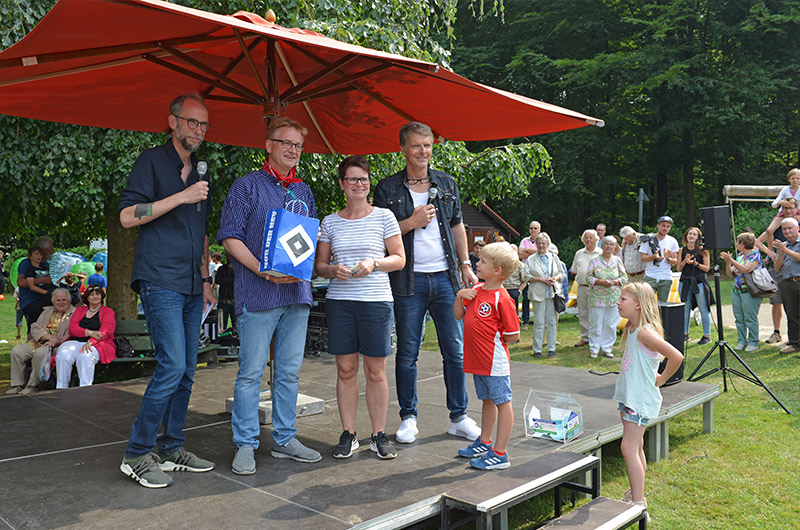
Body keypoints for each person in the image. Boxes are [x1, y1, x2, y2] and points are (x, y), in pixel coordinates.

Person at [118, 92, 217, 489]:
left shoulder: (202, 172)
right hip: (159, 279)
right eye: (192, 122)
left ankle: (172, 447)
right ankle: (137, 454)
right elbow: (127, 217)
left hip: (194, 283)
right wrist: (181, 196)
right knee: (172, 365)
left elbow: (201, 231)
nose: (198, 130)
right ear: (172, 121)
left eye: (204, 124)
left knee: (188, 371)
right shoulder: (151, 162)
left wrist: (207, 280)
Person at [219, 116, 321, 475]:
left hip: (296, 295)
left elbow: (307, 239)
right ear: (269, 145)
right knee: (250, 374)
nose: (293, 150)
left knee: (289, 373)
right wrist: (262, 270)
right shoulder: (246, 186)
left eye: (298, 145)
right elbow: (231, 237)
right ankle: (246, 443)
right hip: (258, 294)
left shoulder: (303, 191)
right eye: (286, 143)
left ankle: (284, 440)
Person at [373, 121, 481, 445]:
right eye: (417, 145)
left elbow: (458, 225)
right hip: (408, 280)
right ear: (403, 149)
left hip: (447, 278)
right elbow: (379, 235)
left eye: (428, 145)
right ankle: (409, 417)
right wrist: (412, 222)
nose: (423, 151)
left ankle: (459, 416)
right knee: (407, 352)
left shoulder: (446, 183)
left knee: (456, 351)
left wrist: (465, 264)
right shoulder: (386, 189)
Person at [314, 155, 406, 460]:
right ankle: (348, 433)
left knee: (376, 371)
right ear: (342, 184)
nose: (358, 184)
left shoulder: (384, 217)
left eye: (363, 179)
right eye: (351, 179)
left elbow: (399, 259)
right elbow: (319, 266)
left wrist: (375, 263)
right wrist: (332, 271)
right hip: (341, 302)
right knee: (346, 368)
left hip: (376, 302)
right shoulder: (329, 221)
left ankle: (379, 434)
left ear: (369, 183)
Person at [615, 282, 684, 522]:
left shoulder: (645, 332)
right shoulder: (632, 329)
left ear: (637, 304)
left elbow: (676, 356)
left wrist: (662, 378)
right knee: (635, 447)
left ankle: (637, 504)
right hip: (629, 396)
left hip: (639, 399)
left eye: (623, 299)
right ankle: (637, 493)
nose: (618, 302)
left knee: (627, 448)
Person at [454, 242, 520, 470]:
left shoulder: (502, 299)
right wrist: (459, 296)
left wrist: (491, 338)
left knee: (503, 402)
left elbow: (513, 335)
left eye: (482, 261)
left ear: (497, 271)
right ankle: (485, 441)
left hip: (494, 362)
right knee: (487, 400)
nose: (477, 264)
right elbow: (458, 315)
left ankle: (500, 454)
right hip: (478, 361)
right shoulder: (477, 290)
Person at [6, 288, 75, 395]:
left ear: (69, 301)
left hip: (56, 345)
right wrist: (48, 337)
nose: (61, 302)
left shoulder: (74, 313)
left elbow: (72, 332)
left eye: (64, 300)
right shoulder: (47, 311)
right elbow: (35, 327)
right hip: (40, 341)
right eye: (58, 300)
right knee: (17, 351)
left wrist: (56, 341)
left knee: (40, 353)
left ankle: (32, 385)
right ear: (53, 301)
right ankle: (17, 385)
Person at [55, 285, 116, 388]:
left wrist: (91, 341)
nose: (95, 297)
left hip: (98, 343)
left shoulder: (107, 311)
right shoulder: (80, 310)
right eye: (91, 295)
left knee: (85, 356)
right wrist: (89, 333)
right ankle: (61, 388)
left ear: (102, 297)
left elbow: (106, 331)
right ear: (87, 297)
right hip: (75, 342)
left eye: (97, 294)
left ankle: (85, 389)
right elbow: (72, 329)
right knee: (63, 356)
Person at [720, 232, 763, 351]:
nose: (736, 244)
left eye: (738, 242)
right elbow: (730, 274)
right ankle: (741, 341)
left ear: (742, 243)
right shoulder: (740, 256)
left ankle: (753, 342)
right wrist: (728, 262)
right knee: (739, 317)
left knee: (750, 317)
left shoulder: (754, 255)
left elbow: (745, 269)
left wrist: (731, 260)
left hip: (750, 291)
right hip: (737, 290)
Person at [522, 233, 563, 357]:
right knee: (539, 322)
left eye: (543, 243)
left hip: (552, 293)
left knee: (552, 322)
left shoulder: (554, 258)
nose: (541, 245)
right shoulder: (531, 259)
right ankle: (537, 349)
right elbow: (526, 276)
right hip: (538, 294)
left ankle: (551, 348)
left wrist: (555, 278)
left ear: (548, 244)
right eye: (539, 243)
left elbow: (562, 273)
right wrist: (542, 279)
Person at [587, 236, 627, 359]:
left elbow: (624, 278)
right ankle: (594, 348)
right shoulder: (594, 260)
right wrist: (600, 281)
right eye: (606, 244)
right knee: (596, 323)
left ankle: (607, 347)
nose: (609, 246)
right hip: (597, 298)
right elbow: (588, 277)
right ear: (601, 245)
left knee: (611, 324)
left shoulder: (617, 261)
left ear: (615, 247)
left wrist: (614, 282)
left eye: (611, 245)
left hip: (613, 297)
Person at [677, 227, 711, 345]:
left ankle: (706, 335)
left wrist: (695, 263)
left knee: (703, 308)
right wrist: (685, 261)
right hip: (685, 282)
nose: (691, 236)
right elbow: (678, 268)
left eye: (694, 234)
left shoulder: (703, 251)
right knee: (685, 308)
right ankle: (685, 334)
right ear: (686, 236)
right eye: (689, 234)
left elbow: (707, 268)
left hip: (699, 281)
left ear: (698, 237)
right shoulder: (682, 250)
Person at [772, 218, 800, 355]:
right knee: (792, 314)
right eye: (784, 229)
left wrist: (785, 250)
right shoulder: (783, 246)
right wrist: (781, 253)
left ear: (797, 228)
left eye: (790, 228)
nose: (787, 231)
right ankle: (795, 344)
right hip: (787, 283)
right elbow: (777, 267)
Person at [570, 229, 601, 347]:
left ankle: (595, 338)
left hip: (597, 288)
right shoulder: (579, 253)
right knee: (583, 313)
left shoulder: (601, 253)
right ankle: (585, 337)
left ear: (596, 239)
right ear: (583, 240)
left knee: (596, 313)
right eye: (586, 237)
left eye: (591, 237)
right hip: (582, 287)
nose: (588, 239)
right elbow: (573, 270)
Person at [18, 239, 56, 332]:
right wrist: (42, 280)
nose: (53, 251)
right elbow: (21, 282)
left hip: (43, 298)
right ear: (44, 250)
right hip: (30, 300)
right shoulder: (26, 264)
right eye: (51, 248)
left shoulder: (45, 265)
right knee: (40, 312)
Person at [640, 215, 679, 302]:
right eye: (663, 225)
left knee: (663, 305)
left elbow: (675, 262)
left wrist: (668, 258)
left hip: (665, 277)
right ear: (658, 226)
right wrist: (654, 257)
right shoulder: (649, 239)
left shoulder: (672, 241)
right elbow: (643, 258)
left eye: (668, 226)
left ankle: (661, 316)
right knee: (648, 304)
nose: (665, 228)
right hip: (650, 276)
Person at [766, 168, 800, 239]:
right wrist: (781, 202)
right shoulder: (785, 190)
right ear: (789, 179)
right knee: (769, 230)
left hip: (797, 213)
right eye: (793, 178)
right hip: (784, 214)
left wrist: (795, 209)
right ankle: (770, 249)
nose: (795, 180)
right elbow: (774, 204)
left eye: (797, 178)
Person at [213, 256, 236, 330]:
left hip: (234, 302)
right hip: (222, 301)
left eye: (230, 255)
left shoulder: (238, 270)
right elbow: (218, 280)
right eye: (227, 255)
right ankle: (221, 341)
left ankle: (235, 340)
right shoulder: (222, 268)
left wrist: (225, 281)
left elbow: (237, 282)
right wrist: (230, 280)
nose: (228, 257)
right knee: (220, 326)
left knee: (236, 326)